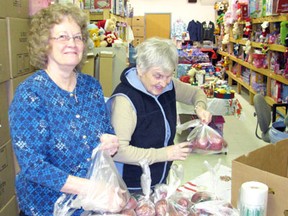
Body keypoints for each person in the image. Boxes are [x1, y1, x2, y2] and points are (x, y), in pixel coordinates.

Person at [9, 3, 127, 216]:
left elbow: (106, 132)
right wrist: (89, 188)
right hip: (47, 208)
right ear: (45, 44)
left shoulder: (91, 87)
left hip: (92, 205)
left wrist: (110, 142)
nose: (72, 43)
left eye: (77, 37)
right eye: (62, 37)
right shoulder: (31, 95)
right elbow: (33, 166)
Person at [107, 37, 212, 192]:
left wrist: (200, 108)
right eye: (158, 76)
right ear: (141, 68)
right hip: (131, 186)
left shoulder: (170, 85)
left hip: (159, 180)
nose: (163, 83)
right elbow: (119, 151)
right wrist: (165, 154)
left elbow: (196, 93)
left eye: (168, 76)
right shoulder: (125, 100)